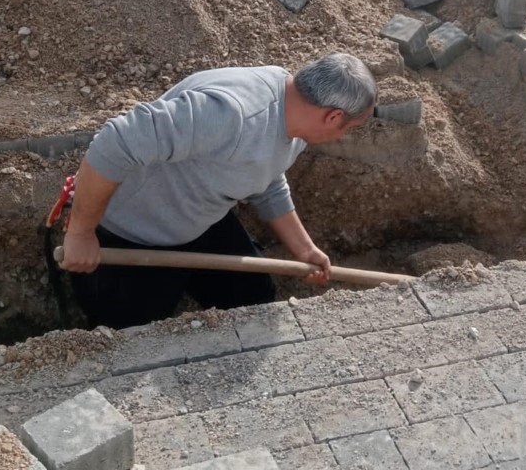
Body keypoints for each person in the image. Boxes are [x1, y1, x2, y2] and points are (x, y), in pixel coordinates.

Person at [61, 53, 377, 329]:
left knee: (253, 297)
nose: (340, 137)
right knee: (128, 335)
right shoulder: (232, 114)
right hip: (132, 235)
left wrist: (304, 249)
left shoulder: (293, 117)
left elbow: (265, 177)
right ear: (333, 115)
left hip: (199, 220)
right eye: (346, 129)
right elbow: (115, 143)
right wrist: (80, 233)